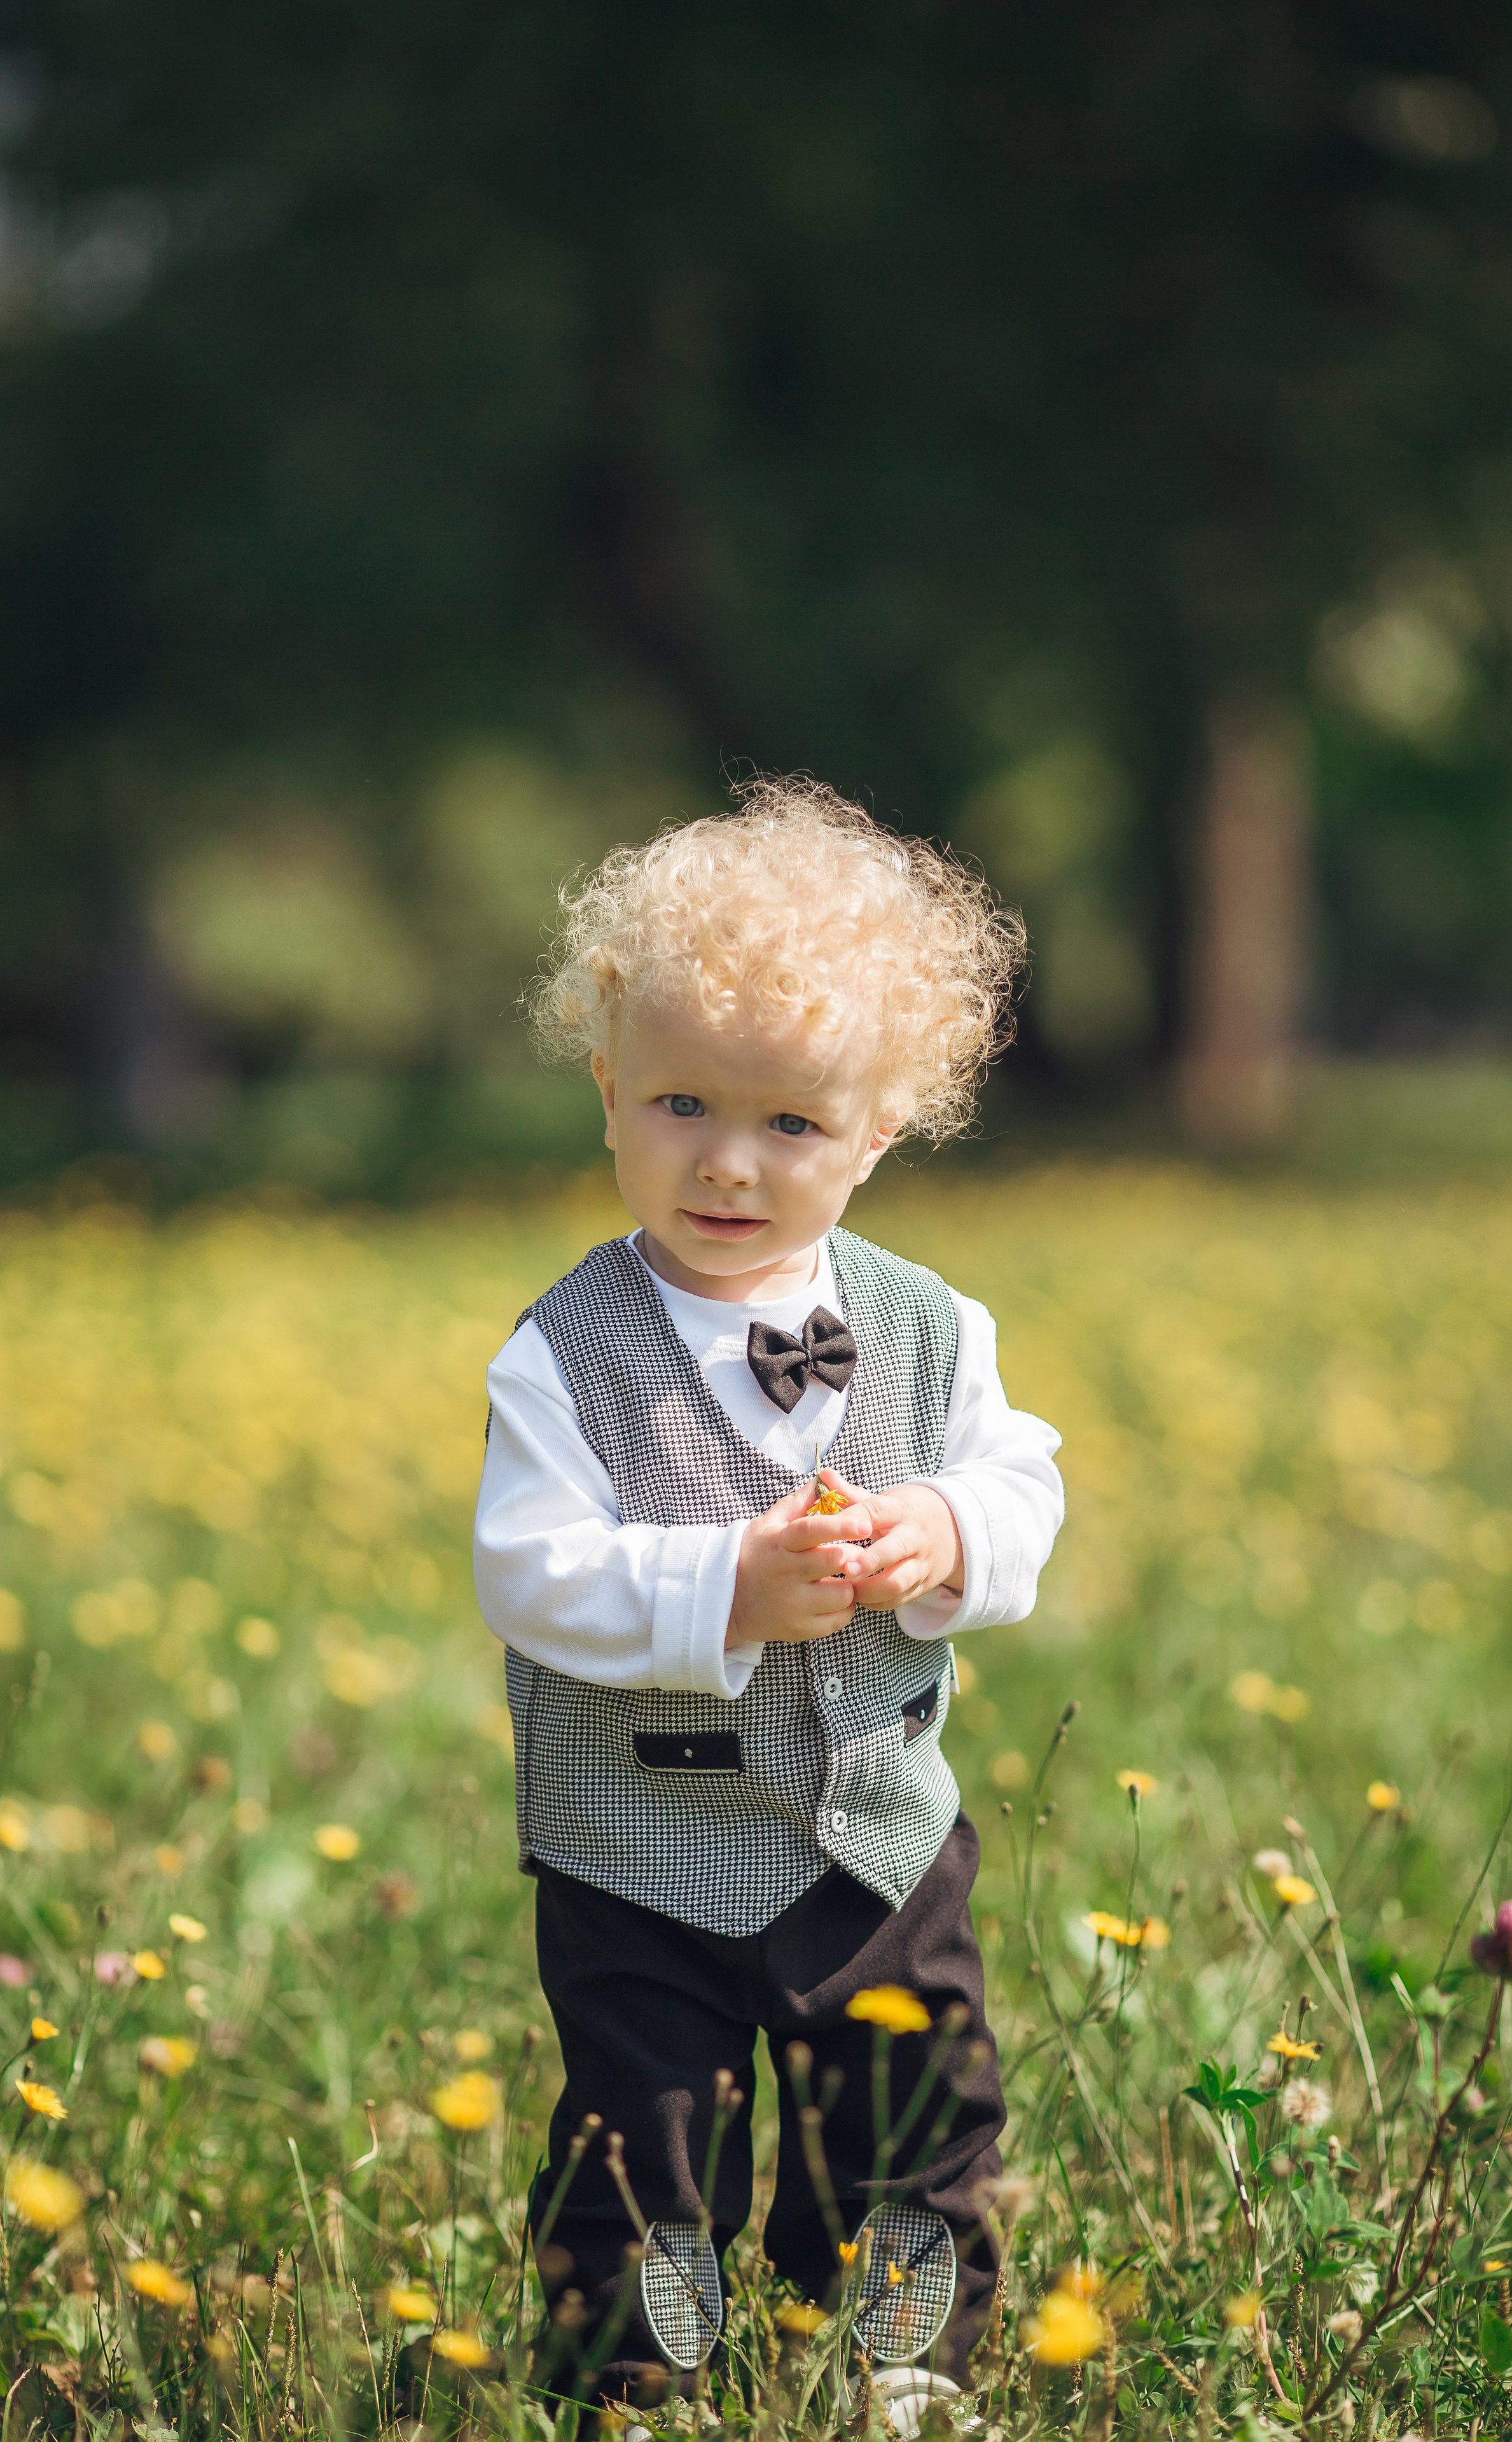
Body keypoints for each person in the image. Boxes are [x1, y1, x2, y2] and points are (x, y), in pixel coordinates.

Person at [473, 776, 1064, 2415]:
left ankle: (897, 2361)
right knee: (644, 2129)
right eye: (682, 1105)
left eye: (793, 1125)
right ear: (606, 1090)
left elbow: (1028, 1483)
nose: (731, 1162)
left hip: (879, 1831)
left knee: (912, 2107)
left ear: (882, 1133)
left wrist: (943, 1530)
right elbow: (530, 1573)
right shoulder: (562, 1352)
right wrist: (724, 1582)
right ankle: (636, 2372)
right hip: (638, 1852)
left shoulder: (933, 1327)